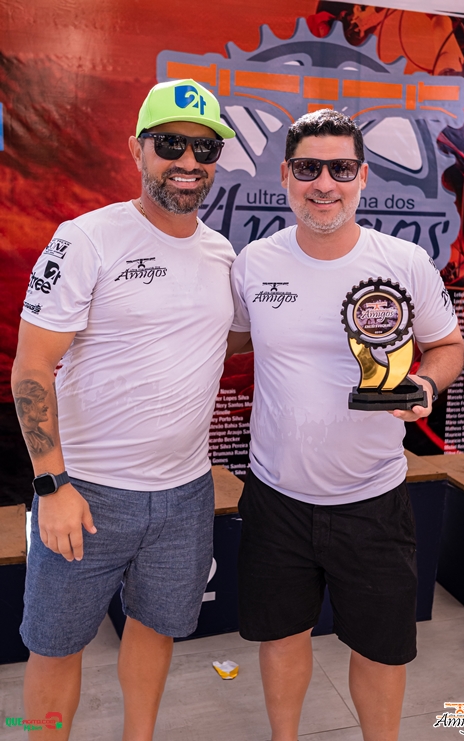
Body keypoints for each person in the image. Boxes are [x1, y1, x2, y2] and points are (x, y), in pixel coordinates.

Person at [227, 109, 464, 741]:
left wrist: (425, 385)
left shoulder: (405, 262)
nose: (324, 183)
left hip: (374, 496)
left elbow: (448, 347)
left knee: (382, 649)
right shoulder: (254, 263)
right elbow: (226, 341)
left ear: (363, 178)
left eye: (340, 168)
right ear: (285, 176)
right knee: (282, 637)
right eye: (308, 168)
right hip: (277, 496)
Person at [12, 78, 236, 741]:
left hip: (185, 495)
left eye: (204, 148)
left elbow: (226, 340)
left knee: (156, 628)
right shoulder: (87, 239)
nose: (188, 161)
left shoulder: (221, 252)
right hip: (85, 493)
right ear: (137, 149)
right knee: (54, 646)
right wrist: (52, 484)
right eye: (171, 144)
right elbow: (31, 366)